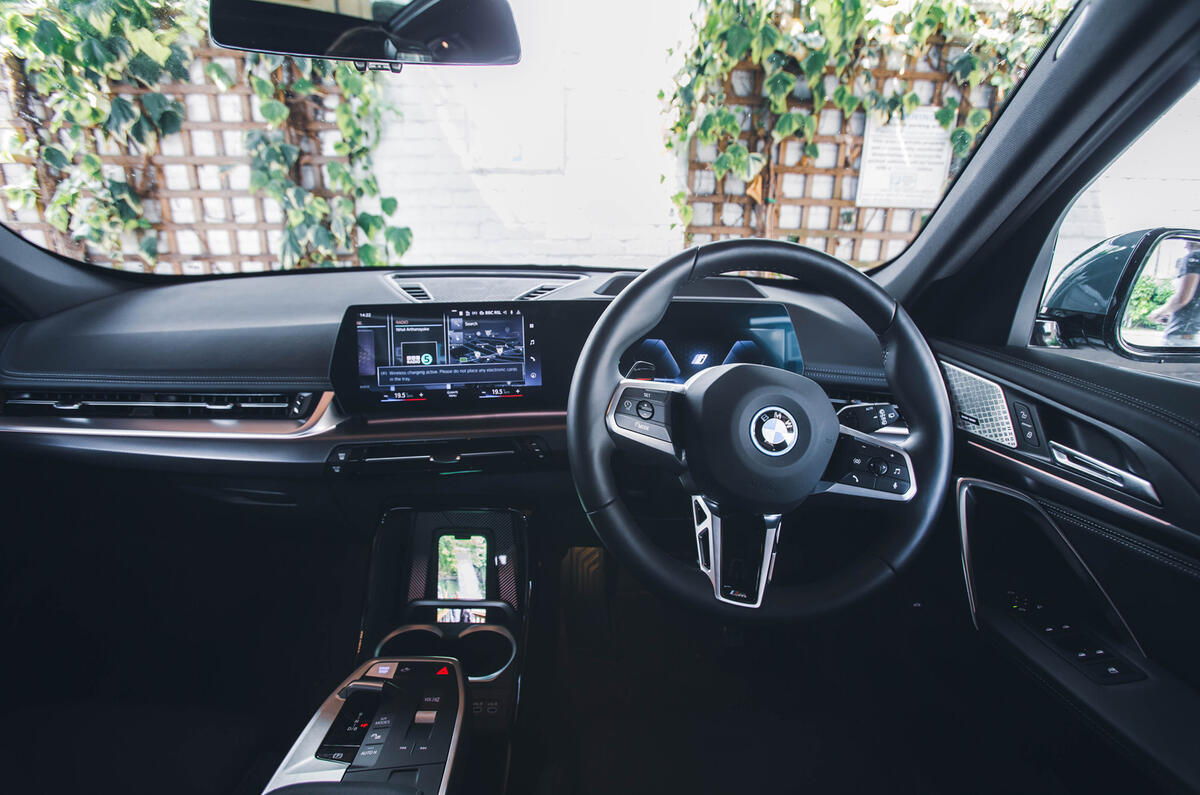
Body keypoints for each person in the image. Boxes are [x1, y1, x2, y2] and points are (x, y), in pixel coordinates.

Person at [1148, 239, 1200, 345]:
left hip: (1182, 335)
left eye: (1187, 241)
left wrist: (1157, 313)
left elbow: (1182, 299)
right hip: (1192, 334)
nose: (1185, 246)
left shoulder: (1194, 257)